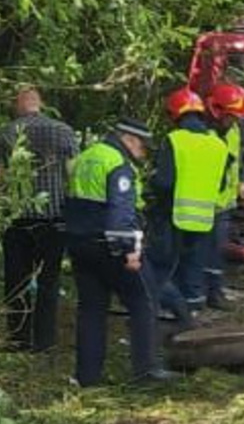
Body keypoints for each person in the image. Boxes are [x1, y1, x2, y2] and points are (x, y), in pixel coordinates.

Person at [62, 117, 174, 385]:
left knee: (91, 309)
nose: (143, 153)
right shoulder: (118, 165)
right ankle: (146, 371)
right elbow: (120, 215)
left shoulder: (86, 157)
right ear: (129, 139)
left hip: (79, 244)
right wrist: (129, 252)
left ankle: (87, 376)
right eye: (143, 147)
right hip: (110, 247)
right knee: (143, 301)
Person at [1, 87, 78, 352]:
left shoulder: (7, 133)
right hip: (53, 219)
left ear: (18, 105)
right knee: (49, 281)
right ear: (40, 104)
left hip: (19, 219)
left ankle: (19, 337)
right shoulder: (64, 131)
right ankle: (45, 340)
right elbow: (72, 176)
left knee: (17, 280)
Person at [146, 87, 229, 326]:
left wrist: (151, 181)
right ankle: (191, 316)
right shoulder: (218, 145)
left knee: (162, 265)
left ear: (175, 115)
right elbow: (221, 183)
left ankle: (165, 312)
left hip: (174, 215)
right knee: (193, 268)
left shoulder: (175, 140)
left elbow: (164, 181)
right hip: (204, 219)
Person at [202, 82, 244, 311]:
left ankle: (214, 292)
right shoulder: (203, 133)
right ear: (218, 110)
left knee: (217, 250)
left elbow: (236, 159)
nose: (235, 121)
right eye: (232, 116)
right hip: (203, 203)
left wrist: (241, 181)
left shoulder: (233, 131)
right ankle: (200, 294)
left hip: (224, 204)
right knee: (200, 252)